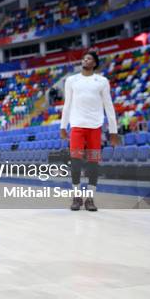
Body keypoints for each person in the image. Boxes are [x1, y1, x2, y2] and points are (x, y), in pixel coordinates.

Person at [60, 50, 120, 212]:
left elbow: (109, 106)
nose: (85, 60)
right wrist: (62, 126)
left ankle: (90, 198)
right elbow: (67, 104)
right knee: (76, 163)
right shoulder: (71, 80)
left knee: (93, 164)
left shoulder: (102, 81)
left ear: (94, 63)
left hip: (95, 127)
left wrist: (113, 131)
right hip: (77, 126)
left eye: (89, 58)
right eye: (84, 58)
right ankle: (76, 197)